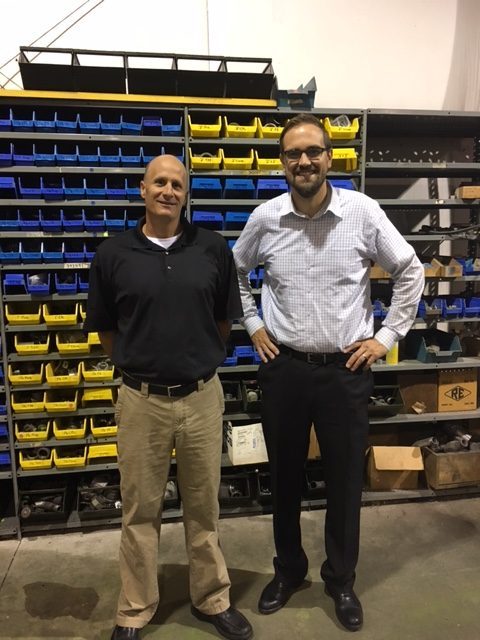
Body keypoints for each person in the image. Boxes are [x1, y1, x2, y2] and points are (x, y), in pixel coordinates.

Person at [232, 114, 424, 632]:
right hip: (285, 369)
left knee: (343, 482)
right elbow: (234, 271)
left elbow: (410, 268)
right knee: (285, 479)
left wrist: (385, 337)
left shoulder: (361, 213)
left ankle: (341, 579)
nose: (304, 161)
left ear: (330, 157)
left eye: (313, 151)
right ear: (282, 163)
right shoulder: (266, 219)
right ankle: (289, 571)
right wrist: (252, 324)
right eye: (293, 154)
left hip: (345, 371)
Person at [84, 155, 253, 640]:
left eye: (177, 184)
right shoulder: (113, 254)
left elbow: (223, 324)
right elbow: (106, 333)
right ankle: (135, 609)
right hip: (141, 401)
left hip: (202, 397)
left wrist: (194, 362)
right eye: (159, 182)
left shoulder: (213, 249)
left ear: (186, 194)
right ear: (143, 189)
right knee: (140, 510)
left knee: (204, 506)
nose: (168, 190)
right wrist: (142, 368)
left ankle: (212, 598)